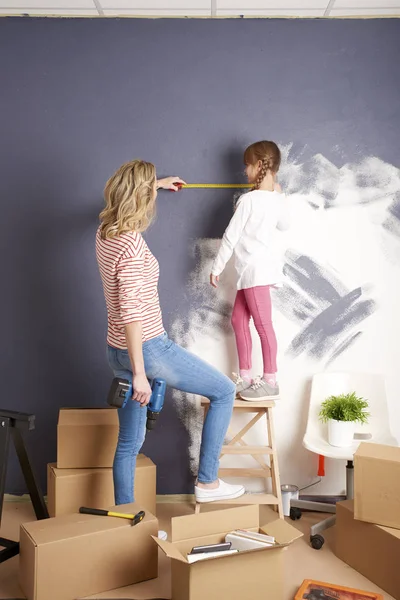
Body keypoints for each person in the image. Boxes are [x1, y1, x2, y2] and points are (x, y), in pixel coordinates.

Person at [95, 159, 245, 506]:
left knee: (129, 445)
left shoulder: (105, 232)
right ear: (139, 197)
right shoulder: (131, 246)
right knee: (223, 391)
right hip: (147, 349)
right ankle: (208, 482)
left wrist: (156, 183)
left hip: (115, 348)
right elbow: (132, 313)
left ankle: (125, 522)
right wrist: (140, 374)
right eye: (148, 191)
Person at [210, 140, 290, 402]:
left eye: (246, 165)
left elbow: (230, 237)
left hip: (256, 273)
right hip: (251, 273)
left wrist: (217, 267)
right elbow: (285, 225)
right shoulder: (275, 199)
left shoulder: (248, 200)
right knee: (237, 320)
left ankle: (270, 381)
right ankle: (245, 378)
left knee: (263, 326)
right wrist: (279, 195)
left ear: (258, 166)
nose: (244, 171)